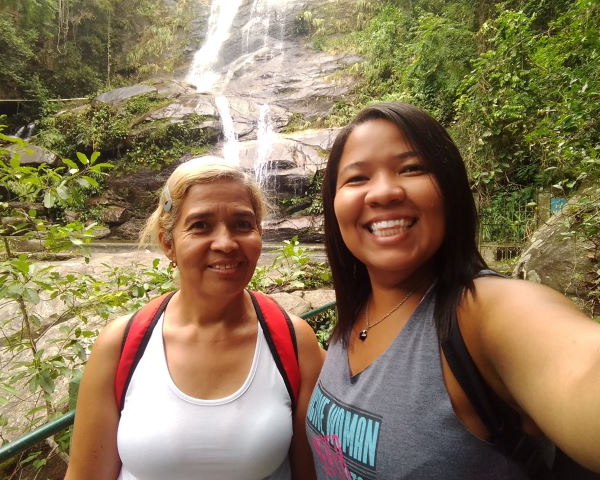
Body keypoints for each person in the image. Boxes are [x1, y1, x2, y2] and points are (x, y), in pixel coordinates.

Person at [305, 102, 600, 479]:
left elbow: (581, 368)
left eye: (411, 169)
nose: (383, 192)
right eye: (357, 178)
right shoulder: (353, 314)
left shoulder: (486, 313)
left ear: (451, 190)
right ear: (334, 207)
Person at [65, 157, 324, 480]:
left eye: (242, 224)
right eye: (200, 225)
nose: (226, 243)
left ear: (259, 234)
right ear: (167, 243)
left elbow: (311, 473)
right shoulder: (120, 344)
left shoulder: (294, 341)